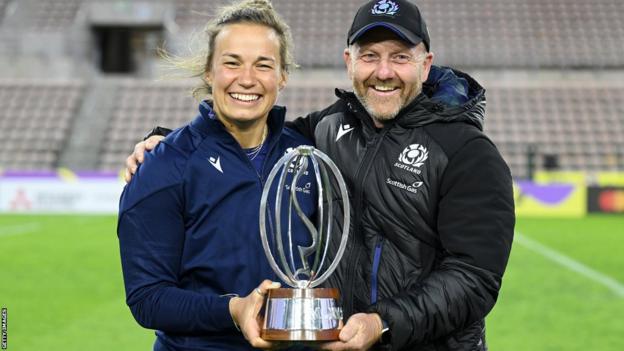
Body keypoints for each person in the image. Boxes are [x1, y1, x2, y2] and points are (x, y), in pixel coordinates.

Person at [126, 0, 515, 350]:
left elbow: (474, 277)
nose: (383, 71)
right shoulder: (327, 130)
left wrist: (382, 324)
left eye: (399, 57)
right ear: (349, 61)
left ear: (425, 64)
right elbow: (239, 136)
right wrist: (165, 144)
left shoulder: (466, 152)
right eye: (369, 55)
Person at [117, 1, 318, 350]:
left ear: (282, 76)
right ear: (209, 72)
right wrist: (233, 309)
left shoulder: (307, 155)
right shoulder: (163, 166)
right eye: (232, 62)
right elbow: (147, 298)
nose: (247, 79)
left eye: (263, 65)